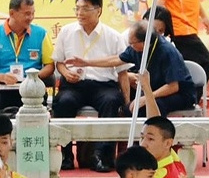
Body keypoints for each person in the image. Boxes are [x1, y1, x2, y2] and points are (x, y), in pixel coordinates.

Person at [52, 0, 128, 172]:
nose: (80, 13)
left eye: (85, 8)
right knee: (63, 101)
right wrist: (65, 72)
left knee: (111, 101)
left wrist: (127, 100)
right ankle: (65, 155)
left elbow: (123, 71)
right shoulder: (67, 32)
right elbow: (59, 63)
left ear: (98, 10)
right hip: (74, 84)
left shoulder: (113, 36)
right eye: (77, 8)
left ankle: (101, 156)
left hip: (103, 86)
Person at [68, 21, 196, 117]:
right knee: (127, 109)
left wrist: (147, 97)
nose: (130, 46)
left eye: (132, 43)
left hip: (179, 94)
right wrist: (87, 63)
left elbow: (173, 86)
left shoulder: (167, 51)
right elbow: (116, 60)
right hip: (151, 91)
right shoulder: (136, 48)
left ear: (144, 42)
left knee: (150, 107)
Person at [0, 0, 54, 115]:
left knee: (38, 97)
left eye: (32, 13)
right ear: (12, 13)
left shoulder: (41, 34)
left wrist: (33, 78)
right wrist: (2, 77)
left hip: (31, 89)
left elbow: (50, 66)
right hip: (1, 88)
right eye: (26, 13)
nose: (31, 17)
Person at [159, 0, 209, 83]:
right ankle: (189, 98)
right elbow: (159, 1)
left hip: (189, 29)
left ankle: (186, 98)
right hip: (179, 30)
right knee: (206, 62)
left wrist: (204, 17)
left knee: (189, 68)